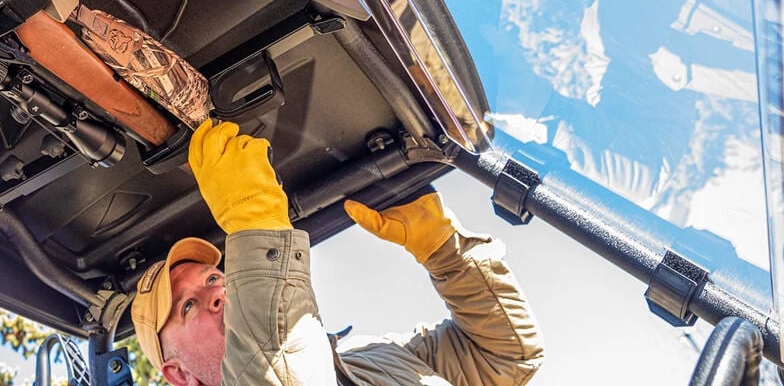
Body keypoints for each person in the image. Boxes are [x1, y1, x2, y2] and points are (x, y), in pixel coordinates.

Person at [130, 120, 544, 386]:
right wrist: (256, 226)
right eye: (187, 306)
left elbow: (505, 361)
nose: (218, 294)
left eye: (213, 278)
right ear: (179, 375)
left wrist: (445, 252)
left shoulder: (374, 358)